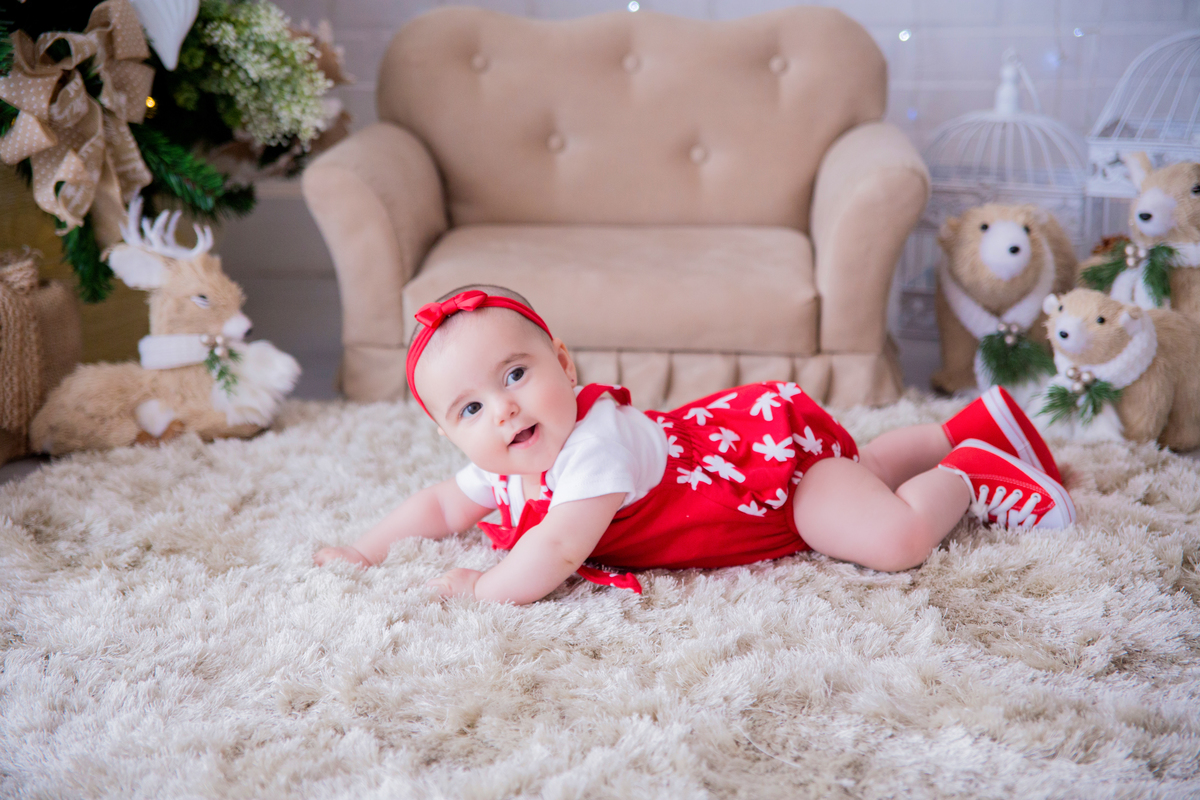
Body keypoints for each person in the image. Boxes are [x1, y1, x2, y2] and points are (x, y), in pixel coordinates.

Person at [314, 286, 1075, 604]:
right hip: (764, 464)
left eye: (517, 373)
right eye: (472, 407)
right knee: (864, 469)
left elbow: (554, 553)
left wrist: (481, 591)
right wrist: (369, 548)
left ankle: (969, 474)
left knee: (891, 536)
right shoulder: (506, 458)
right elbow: (443, 501)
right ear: (452, 431)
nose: (505, 408)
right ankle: (967, 425)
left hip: (769, 491)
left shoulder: (592, 447)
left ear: (565, 365)